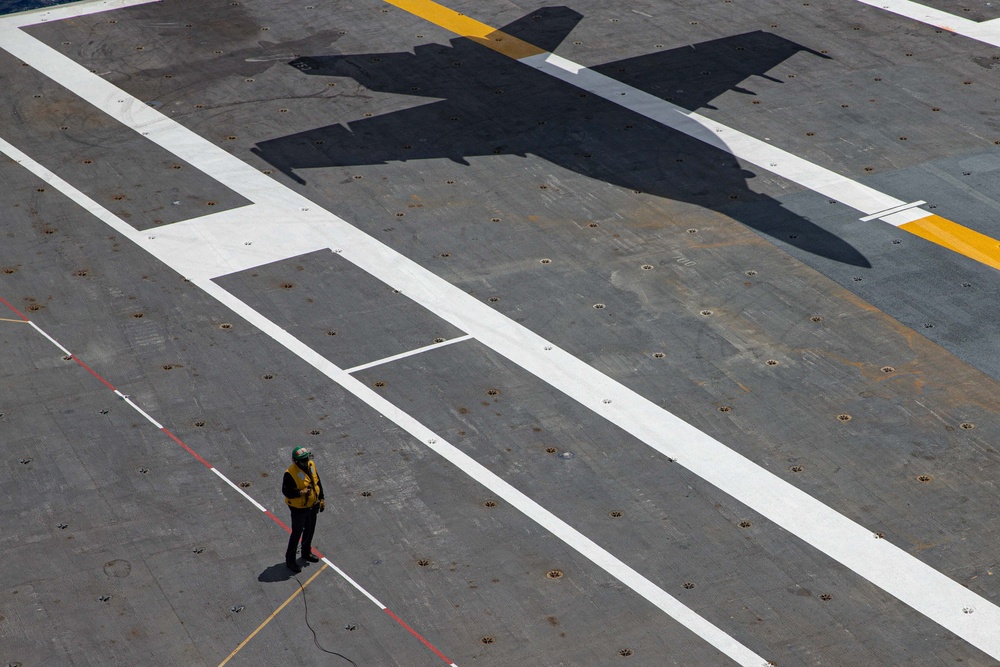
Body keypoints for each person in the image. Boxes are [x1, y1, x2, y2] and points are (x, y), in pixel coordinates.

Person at [282, 446, 325, 573]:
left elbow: (317, 481)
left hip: (312, 504)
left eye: (306, 459)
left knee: (310, 528)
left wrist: (321, 498)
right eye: (302, 461)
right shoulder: (290, 474)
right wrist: (300, 492)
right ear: (295, 462)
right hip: (298, 508)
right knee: (297, 532)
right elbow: (286, 492)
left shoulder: (311, 465)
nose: (305, 462)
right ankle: (290, 560)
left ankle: (306, 552)